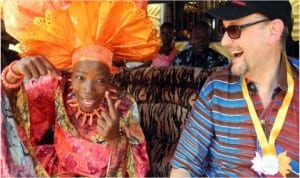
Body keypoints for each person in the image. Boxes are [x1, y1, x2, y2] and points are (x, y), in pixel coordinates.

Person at [1, 1, 159, 177]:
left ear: (110, 78)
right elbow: (9, 117)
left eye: (100, 80)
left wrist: (115, 140)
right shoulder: (58, 86)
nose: (88, 90)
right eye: (80, 78)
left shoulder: (124, 105)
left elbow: (139, 168)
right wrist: (13, 73)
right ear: (70, 74)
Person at [170, 1, 299, 177]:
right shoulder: (216, 88)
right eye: (224, 30)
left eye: (234, 30)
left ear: (273, 31)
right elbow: (183, 166)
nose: (224, 42)